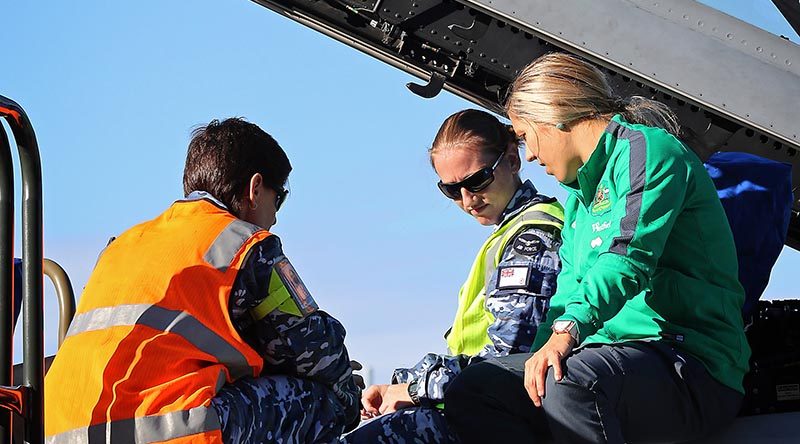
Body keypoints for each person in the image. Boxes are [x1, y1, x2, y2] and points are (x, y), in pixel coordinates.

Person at [444, 53, 751, 444]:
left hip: (690, 364)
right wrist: (537, 360)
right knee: (478, 388)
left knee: (571, 382)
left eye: (526, 138)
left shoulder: (649, 152)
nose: (532, 156)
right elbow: (568, 290)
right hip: (613, 360)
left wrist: (566, 333)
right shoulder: (576, 198)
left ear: (555, 115)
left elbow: (627, 257)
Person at [44, 118, 361, 443]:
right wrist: (351, 398)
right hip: (170, 433)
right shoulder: (245, 244)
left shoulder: (122, 246)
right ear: (254, 189)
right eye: (277, 197)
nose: (276, 216)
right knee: (323, 402)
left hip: (60, 433)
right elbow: (315, 349)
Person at [342, 109, 564, 443]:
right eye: (451, 190)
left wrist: (416, 388)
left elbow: (506, 359)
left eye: (477, 181)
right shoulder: (509, 233)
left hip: (496, 413)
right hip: (475, 407)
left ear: (513, 160)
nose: (467, 200)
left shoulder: (532, 237)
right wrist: (399, 387)